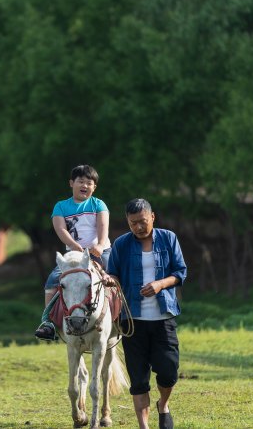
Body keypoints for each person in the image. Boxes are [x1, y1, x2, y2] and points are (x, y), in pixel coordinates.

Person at [103, 198, 187, 429]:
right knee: (139, 380)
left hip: (164, 318)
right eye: (133, 224)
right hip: (132, 321)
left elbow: (180, 272)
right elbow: (113, 275)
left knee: (169, 372)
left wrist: (160, 284)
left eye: (142, 221)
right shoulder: (121, 244)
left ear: (152, 217)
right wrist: (112, 285)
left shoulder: (169, 238)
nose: (138, 227)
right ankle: (144, 426)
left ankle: (164, 405)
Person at [34, 164, 111, 341]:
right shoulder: (61, 207)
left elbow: (102, 226)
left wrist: (99, 245)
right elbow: (61, 229)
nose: (85, 185)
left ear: (95, 187)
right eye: (81, 181)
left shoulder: (98, 204)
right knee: (53, 281)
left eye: (89, 183)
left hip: (99, 251)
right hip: (74, 255)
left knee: (115, 274)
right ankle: (48, 322)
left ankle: (124, 316)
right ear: (71, 183)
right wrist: (75, 246)